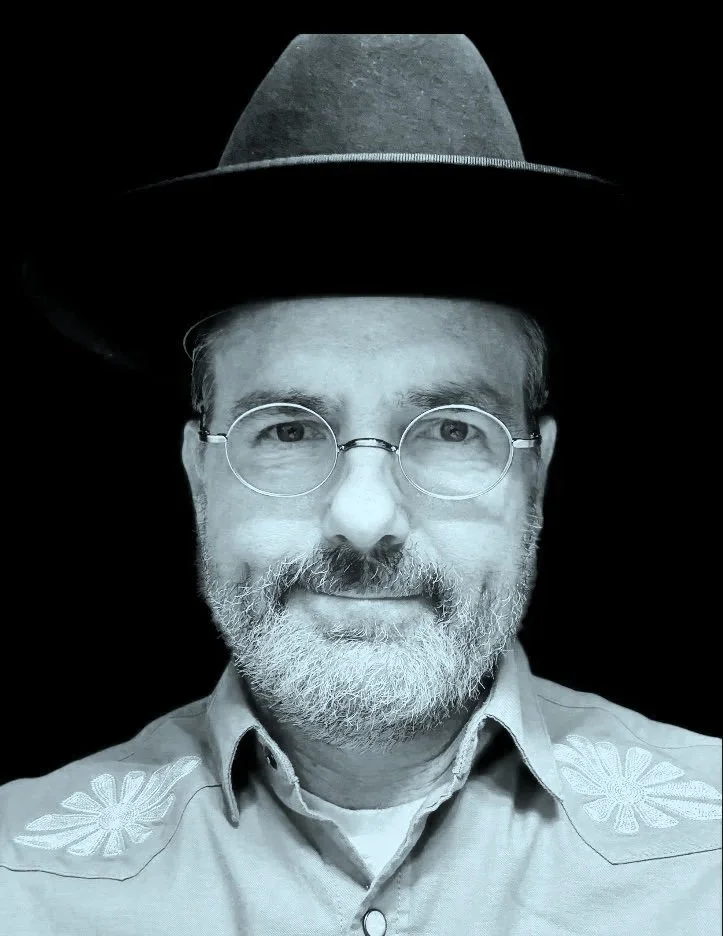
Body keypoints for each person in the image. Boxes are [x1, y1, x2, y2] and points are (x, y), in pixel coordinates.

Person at [2, 34, 720, 936]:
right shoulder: (19, 875)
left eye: (453, 430)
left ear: (535, 473)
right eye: (290, 431)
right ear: (197, 473)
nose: (363, 516)